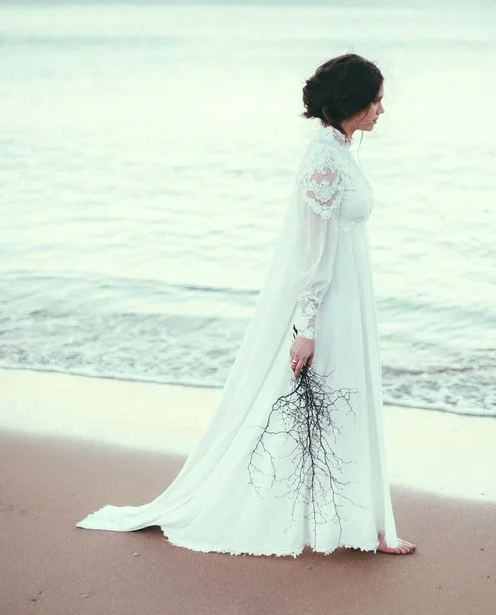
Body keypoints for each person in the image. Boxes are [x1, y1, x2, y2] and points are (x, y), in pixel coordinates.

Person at [77, 54, 415, 556]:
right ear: (353, 102)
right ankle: (344, 524)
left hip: (350, 300)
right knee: (325, 408)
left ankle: (359, 523)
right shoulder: (324, 158)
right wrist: (307, 326)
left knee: (347, 408)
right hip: (332, 305)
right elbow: (314, 251)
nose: (383, 110)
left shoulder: (340, 150)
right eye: (377, 100)